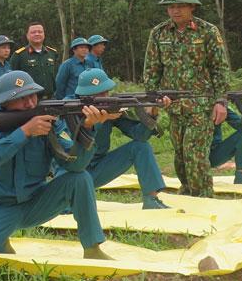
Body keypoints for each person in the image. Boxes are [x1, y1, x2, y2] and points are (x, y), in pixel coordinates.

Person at [0, 71, 111, 259]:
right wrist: (25, 131)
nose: (30, 103)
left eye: (33, 95)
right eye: (21, 98)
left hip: (37, 202)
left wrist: (87, 128)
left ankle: (93, 249)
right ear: (4, 102)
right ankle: (0, 240)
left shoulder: (49, 119)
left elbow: (75, 165)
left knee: (80, 178)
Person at [144, 0, 229, 198]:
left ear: (192, 7)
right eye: (171, 6)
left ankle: (203, 198)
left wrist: (221, 101)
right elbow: (152, 69)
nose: (175, 10)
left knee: (195, 152)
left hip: (201, 105)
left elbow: (219, 68)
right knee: (180, 154)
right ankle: (187, 192)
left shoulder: (207, 31)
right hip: (173, 106)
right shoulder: (159, 33)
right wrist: (152, 100)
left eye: (180, 6)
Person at [63, 69, 170, 209]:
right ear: (84, 95)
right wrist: (96, 122)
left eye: (106, 92)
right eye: (99, 94)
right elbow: (69, 150)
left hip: (97, 168)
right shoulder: (68, 108)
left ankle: (151, 199)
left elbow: (139, 136)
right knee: (67, 209)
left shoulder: (110, 107)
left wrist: (152, 112)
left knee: (141, 147)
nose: (105, 97)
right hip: (71, 173)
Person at [10, 21, 58, 99]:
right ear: (27, 36)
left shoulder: (52, 53)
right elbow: (14, 79)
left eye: (40, 32)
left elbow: (55, 76)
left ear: (44, 34)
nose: (37, 34)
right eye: (33, 32)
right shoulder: (19, 55)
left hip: (51, 98)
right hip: (29, 100)